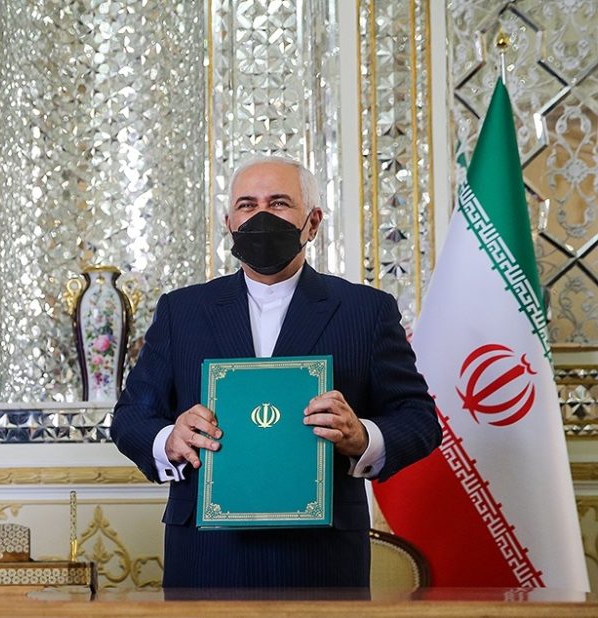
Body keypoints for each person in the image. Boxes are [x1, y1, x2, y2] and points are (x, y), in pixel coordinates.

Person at [110, 156, 441, 589]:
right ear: (229, 222)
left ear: (313, 222)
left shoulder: (366, 312)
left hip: (321, 560)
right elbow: (130, 417)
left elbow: (419, 420)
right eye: (247, 205)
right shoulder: (182, 311)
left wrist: (362, 436)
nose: (261, 216)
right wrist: (169, 439)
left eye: (279, 203)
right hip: (206, 557)